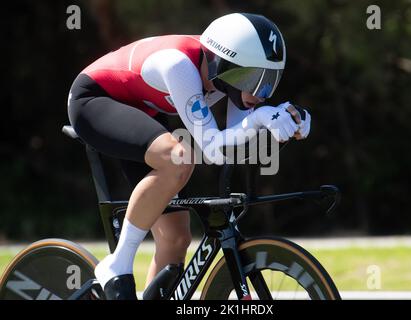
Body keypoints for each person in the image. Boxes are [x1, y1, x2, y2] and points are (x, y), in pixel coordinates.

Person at [67, 12, 311, 300]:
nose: (261, 92)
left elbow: (232, 146)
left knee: (176, 239)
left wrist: (290, 121)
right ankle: (117, 264)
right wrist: (259, 118)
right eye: (253, 77)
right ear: (223, 63)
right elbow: (212, 146)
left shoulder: (228, 81)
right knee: (177, 158)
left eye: (270, 80)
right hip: (95, 100)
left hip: (143, 110)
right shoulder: (180, 66)